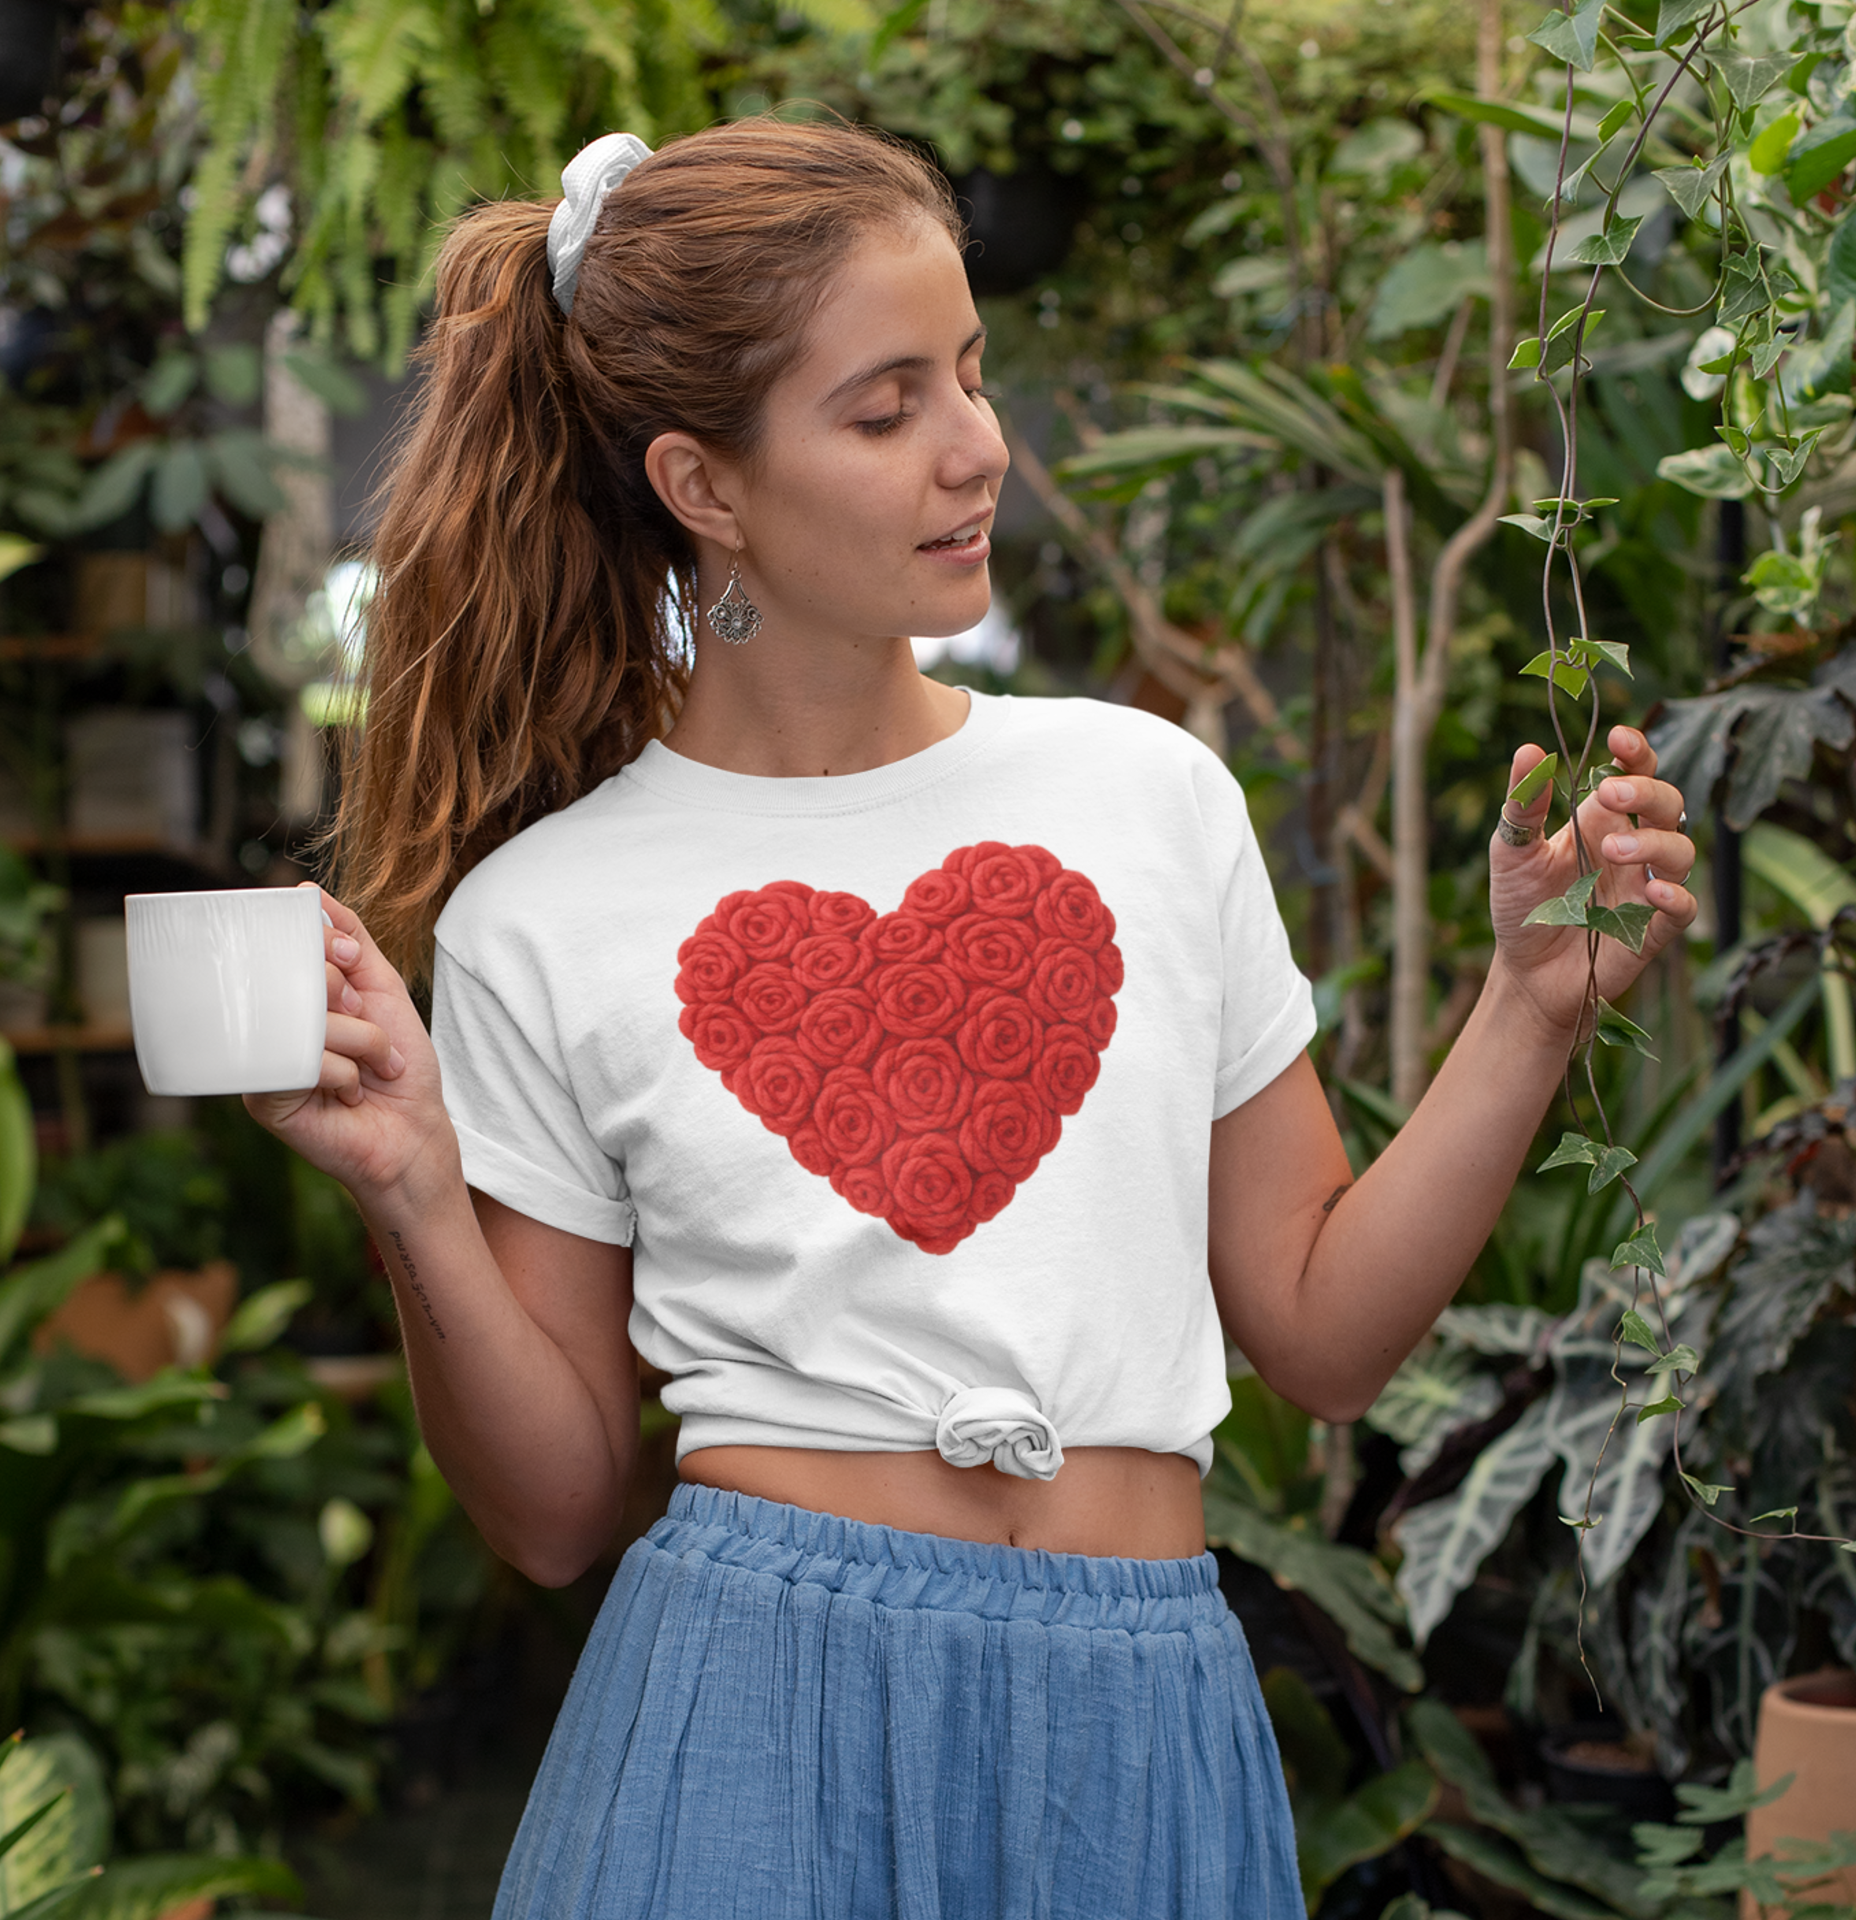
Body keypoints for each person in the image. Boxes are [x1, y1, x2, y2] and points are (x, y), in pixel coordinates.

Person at [246, 116, 1699, 1920]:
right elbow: (550, 1511)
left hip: (1139, 1718)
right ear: (702, 483)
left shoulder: (1150, 796)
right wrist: (412, 1192)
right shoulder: (544, 915)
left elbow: (1320, 1340)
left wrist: (1528, 1014)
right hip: (752, 1715)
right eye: (886, 408)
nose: (977, 448)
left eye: (972, 375)